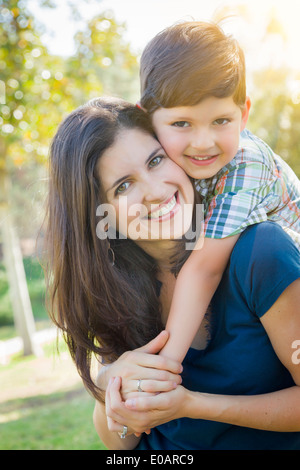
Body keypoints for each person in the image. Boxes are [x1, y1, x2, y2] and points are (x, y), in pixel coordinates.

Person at [45, 96, 300, 450]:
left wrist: (194, 405)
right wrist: (111, 384)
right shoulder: (113, 287)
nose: (154, 191)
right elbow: (120, 445)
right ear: (100, 214)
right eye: (123, 186)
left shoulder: (261, 252)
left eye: (156, 160)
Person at [137, 20, 300, 364]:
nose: (203, 143)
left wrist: (167, 364)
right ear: (147, 120)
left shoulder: (246, 162)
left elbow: (204, 268)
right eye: (182, 123)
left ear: (244, 115)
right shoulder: (171, 167)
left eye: (221, 121)